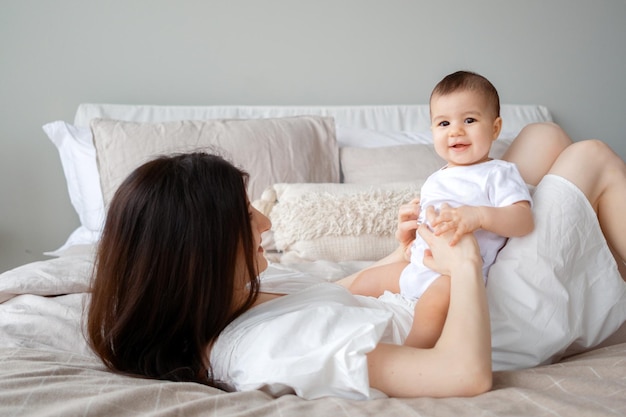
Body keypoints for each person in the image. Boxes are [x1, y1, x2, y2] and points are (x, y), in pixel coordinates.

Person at [87, 123, 626, 399]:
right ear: (197, 252)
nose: (266, 224)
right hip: (480, 322)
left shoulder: (237, 295)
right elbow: (463, 375)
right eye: (244, 215)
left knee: (544, 136)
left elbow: (346, 291)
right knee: (589, 157)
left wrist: (403, 249)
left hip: (436, 289)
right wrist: (461, 262)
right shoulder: (270, 350)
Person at [347, 71, 534, 348]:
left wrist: (479, 216)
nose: (455, 131)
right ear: (433, 130)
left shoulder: (497, 173)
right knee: (363, 282)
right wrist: (413, 232)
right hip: (418, 266)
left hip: (454, 277)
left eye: (469, 120)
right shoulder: (436, 177)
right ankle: (328, 318)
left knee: (431, 309)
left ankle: (414, 355)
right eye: (444, 123)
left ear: (495, 128)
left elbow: (523, 220)